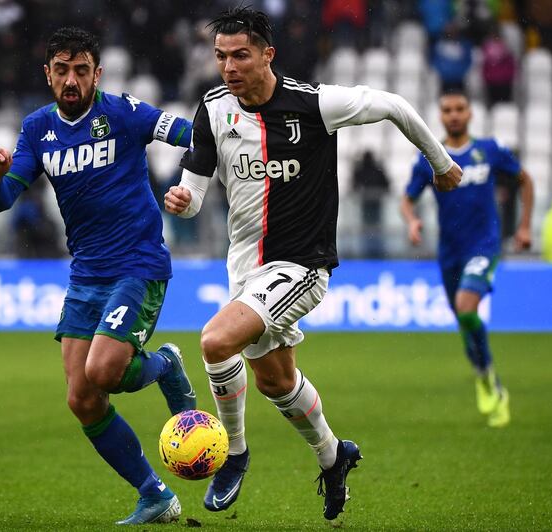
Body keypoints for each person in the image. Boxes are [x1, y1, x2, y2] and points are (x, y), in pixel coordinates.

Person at [164, 7, 462, 521]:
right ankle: (333, 456)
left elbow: (392, 104)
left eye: (240, 55)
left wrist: (442, 164)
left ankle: (233, 454)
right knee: (275, 382)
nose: (229, 67)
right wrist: (182, 202)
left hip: (302, 264)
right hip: (244, 267)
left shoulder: (315, 104)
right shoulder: (212, 109)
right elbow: (194, 191)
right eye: (221, 57)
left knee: (214, 341)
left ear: (267, 55)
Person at [0, 27, 196, 525]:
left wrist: (193, 181)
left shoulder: (124, 112)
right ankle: (155, 494)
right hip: (86, 274)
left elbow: (189, 133)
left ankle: (165, 364)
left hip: (138, 265)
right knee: (82, 398)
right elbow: (5, 197)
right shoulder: (37, 129)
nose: (71, 80)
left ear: (97, 73)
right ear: (48, 73)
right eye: (61, 69)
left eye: (81, 70)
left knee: (103, 372)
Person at [400, 91, 534, 428]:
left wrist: (525, 226)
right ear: (440, 116)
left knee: (466, 306)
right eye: (447, 110)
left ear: (470, 113)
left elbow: (524, 180)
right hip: (450, 253)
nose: (454, 115)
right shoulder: (430, 156)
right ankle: (486, 376)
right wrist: (412, 220)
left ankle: (488, 379)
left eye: (460, 109)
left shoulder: (488, 150)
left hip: (484, 245)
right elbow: (407, 198)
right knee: (464, 321)